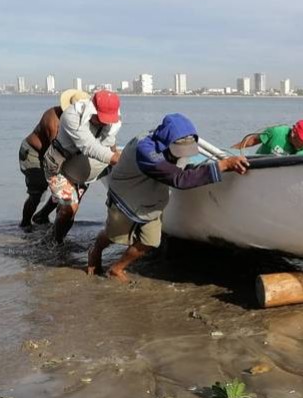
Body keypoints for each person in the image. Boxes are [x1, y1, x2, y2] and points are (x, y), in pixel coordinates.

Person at [87, 113, 249, 281]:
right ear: (166, 140)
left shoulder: (180, 143)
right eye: (179, 149)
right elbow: (179, 179)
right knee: (115, 235)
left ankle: (116, 268)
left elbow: (180, 169)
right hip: (127, 194)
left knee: (150, 241)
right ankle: (96, 249)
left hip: (152, 197)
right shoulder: (146, 149)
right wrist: (222, 166)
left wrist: (226, 161)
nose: (182, 155)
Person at [44, 89, 122, 243]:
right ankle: (56, 244)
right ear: (92, 108)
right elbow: (89, 147)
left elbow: (110, 141)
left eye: (108, 119)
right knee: (69, 209)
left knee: (69, 211)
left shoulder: (114, 120)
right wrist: (118, 160)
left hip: (82, 173)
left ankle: (53, 237)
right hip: (59, 167)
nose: (104, 122)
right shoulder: (71, 116)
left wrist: (117, 153)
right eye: (100, 118)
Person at [19, 89, 90, 228]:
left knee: (66, 188)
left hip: (57, 155)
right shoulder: (53, 121)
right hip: (34, 153)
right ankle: (25, 224)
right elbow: (55, 152)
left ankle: (42, 216)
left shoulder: (80, 121)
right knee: (37, 192)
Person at [231, 119, 303, 155]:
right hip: (259, 164)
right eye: (302, 139)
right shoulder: (276, 132)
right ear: (293, 133)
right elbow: (252, 140)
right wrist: (230, 150)